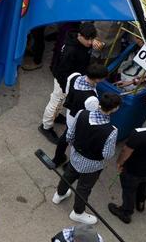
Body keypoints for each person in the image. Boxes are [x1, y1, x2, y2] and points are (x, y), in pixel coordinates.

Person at [52, 90, 122, 225]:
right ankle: (78, 212)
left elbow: (69, 135)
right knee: (84, 188)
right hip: (92, 165)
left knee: (68, 176)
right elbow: (107, 154)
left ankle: (59, 194)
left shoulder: (82, 114)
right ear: (115, 109)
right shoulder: (112, 131)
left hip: (75, 156)